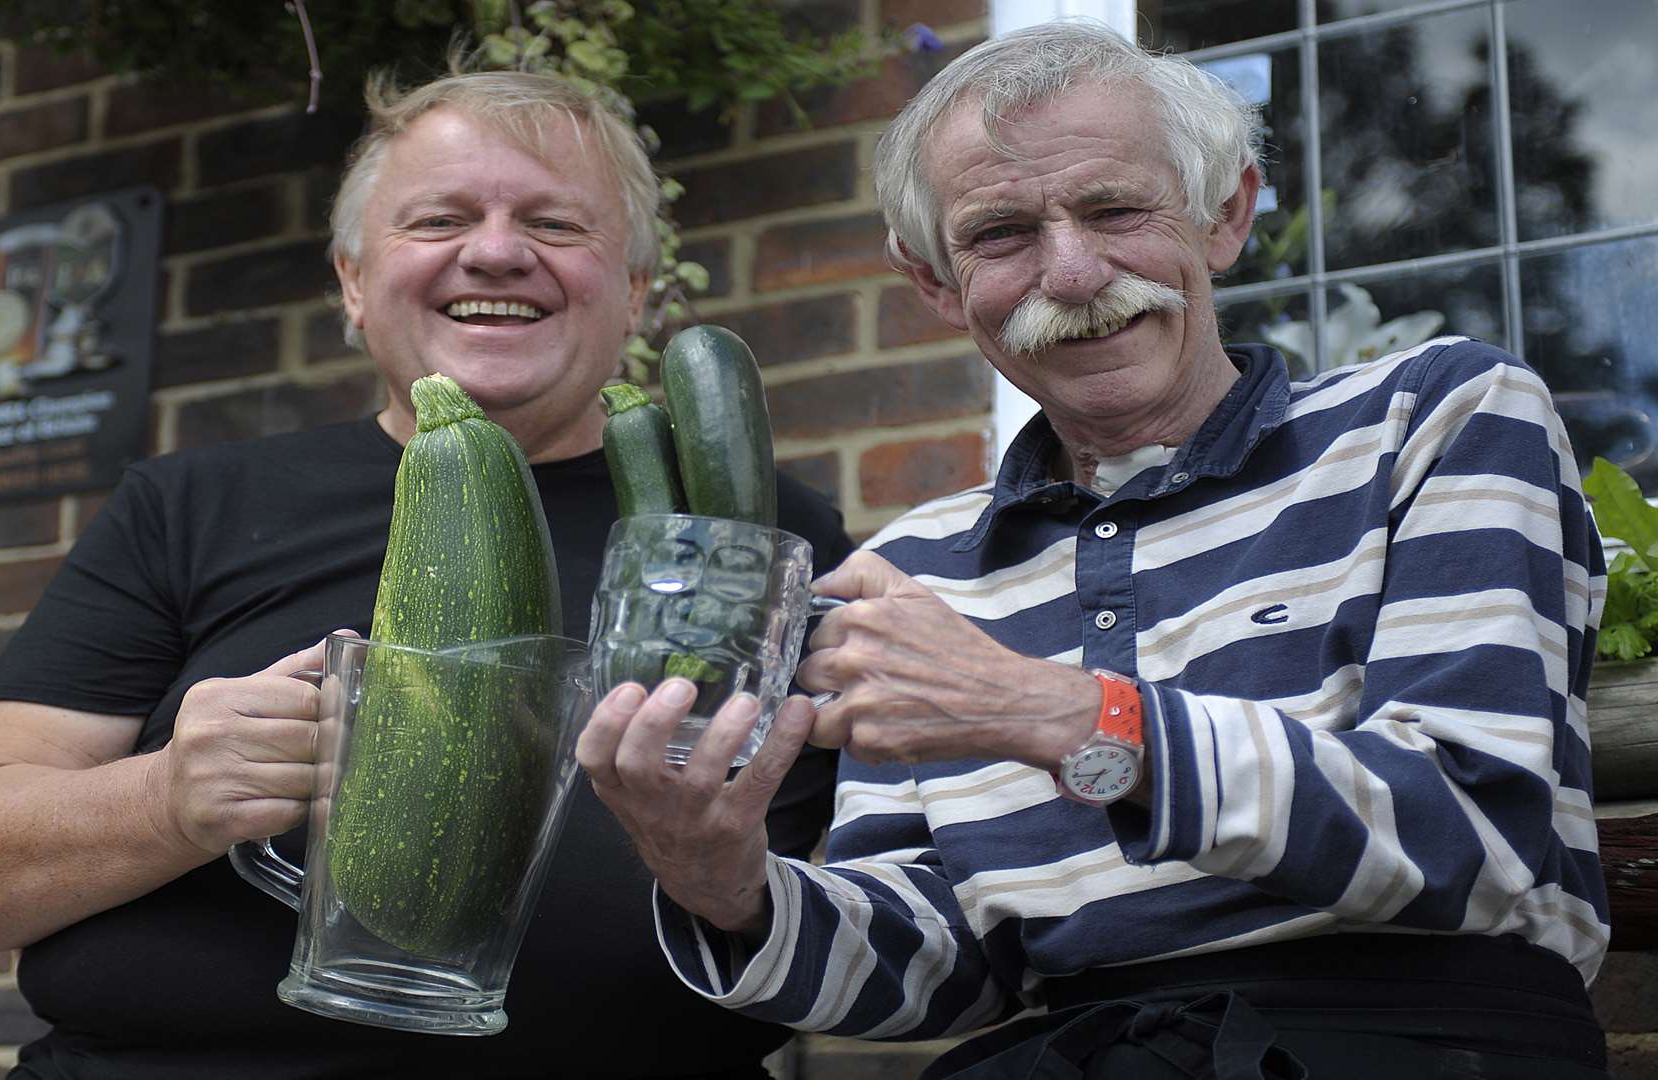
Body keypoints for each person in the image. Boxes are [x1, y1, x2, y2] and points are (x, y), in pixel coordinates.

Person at [577, 20, 1611, 1079]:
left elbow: (1476, 835)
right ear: (935, 283)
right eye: (1000, 234)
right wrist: (721, 880)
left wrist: (1055, 713)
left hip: (1416, 1044)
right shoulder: (921, 564)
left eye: (1116, 209)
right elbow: (944, 965)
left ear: (1226, 214)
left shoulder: (1435, 417)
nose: (1070, 273)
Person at [0, 70, 853, 1079]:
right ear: (352, 279)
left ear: (638, 290)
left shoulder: (761, 534)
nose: (497, 251)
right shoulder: (192, 507)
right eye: (440, 217)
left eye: (558, 225)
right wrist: (165, 799)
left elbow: (896, 883)